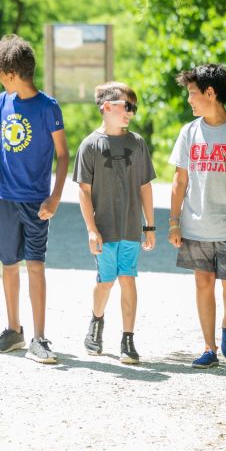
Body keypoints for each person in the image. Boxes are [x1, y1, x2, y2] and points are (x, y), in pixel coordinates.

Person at [167, 63, 226, 368]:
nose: (189, 100)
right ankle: (209, 348)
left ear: (211, 93)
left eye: (193, 94)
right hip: (196, 225)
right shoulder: (189, 132)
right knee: (203, 283)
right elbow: (179, 180)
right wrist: (173, 221)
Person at [0, 34, 69, 364]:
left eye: (0, 74)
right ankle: (13, 330)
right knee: (8, 265)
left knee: (35, 265)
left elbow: (63, 155)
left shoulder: (48, 107)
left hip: (35, 202)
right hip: (4, 199)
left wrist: (54, 198)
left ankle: (39, 338)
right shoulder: (3, 102)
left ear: (12, 72)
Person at [73, 82, 156, 364]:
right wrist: (91, 230)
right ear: (107, 107)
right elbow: (83, 190)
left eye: (134, 108)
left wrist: (149, 226)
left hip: (131, 228)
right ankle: (96, 322)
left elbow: (145, 186)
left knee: (128, 279)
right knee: (106, 282)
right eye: (127, 106)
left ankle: (128, 339)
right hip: (104, 229)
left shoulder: (138, 143)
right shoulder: (90, 145)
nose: (131, 112)